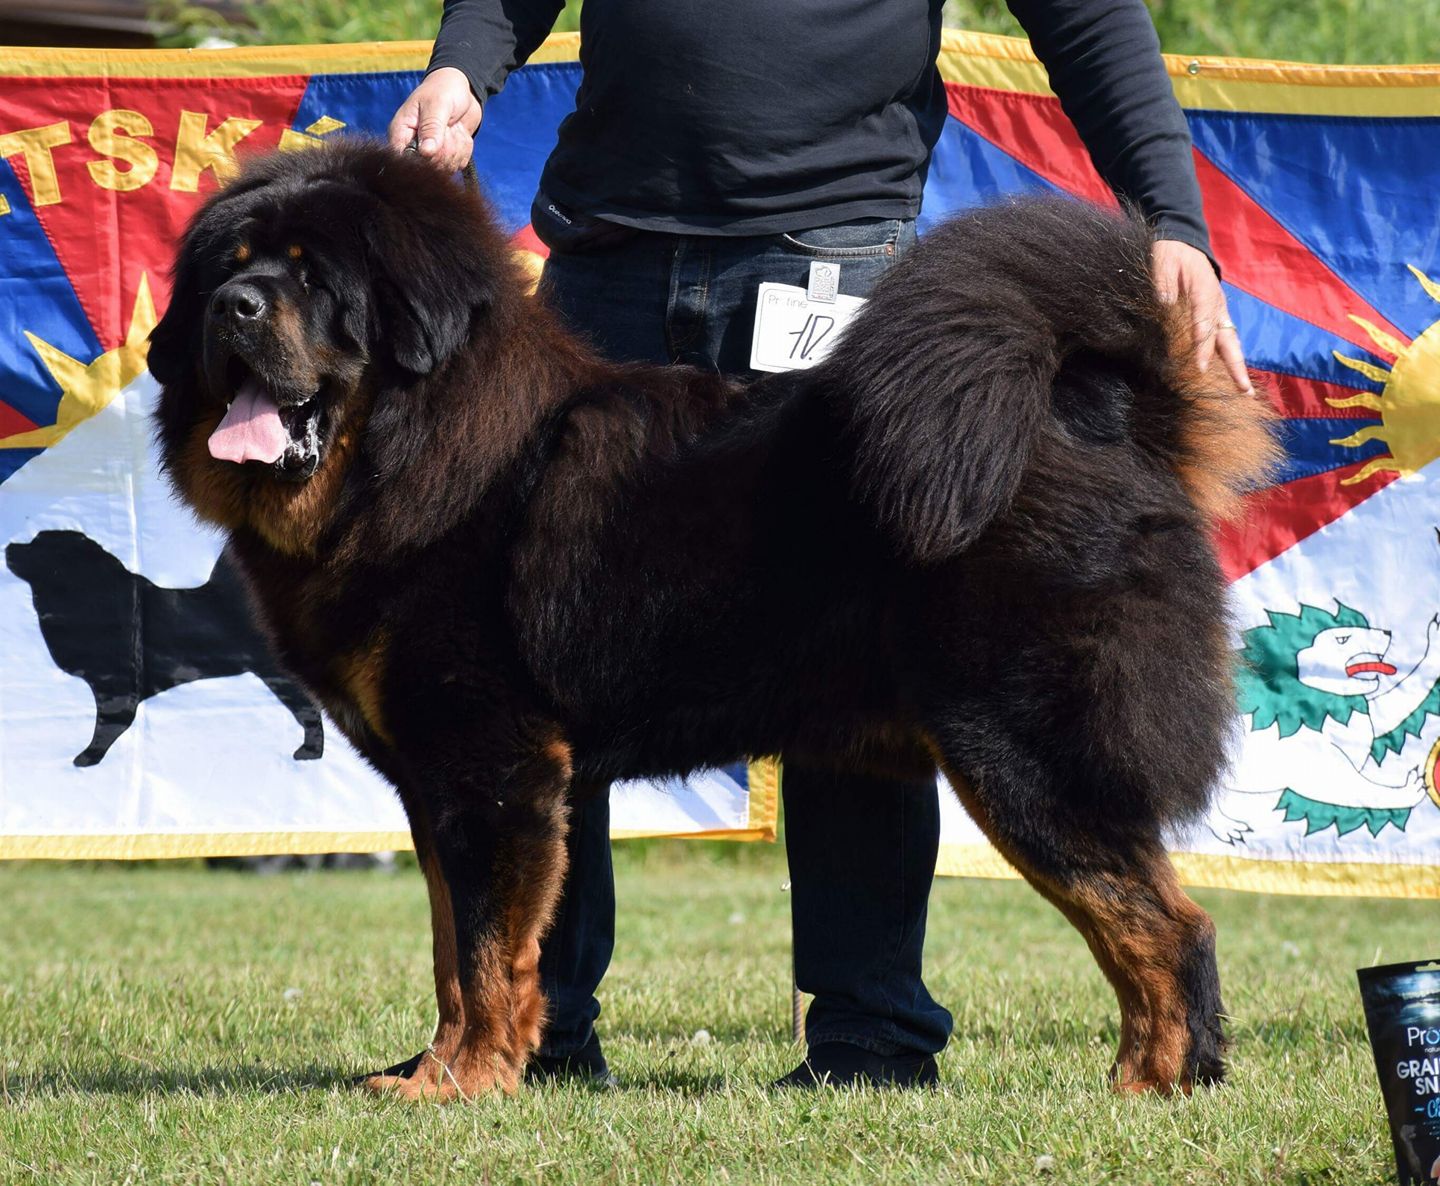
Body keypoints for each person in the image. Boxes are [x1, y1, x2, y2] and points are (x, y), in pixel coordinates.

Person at [389, 0, 1251, 1090]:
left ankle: (869, 1038)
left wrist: (1170, 214)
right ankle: (528, 1037)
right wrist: (461, 66)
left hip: (828, 256)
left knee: (869, 656)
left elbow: (1085, 16)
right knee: (535, 650)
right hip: (611, 254)